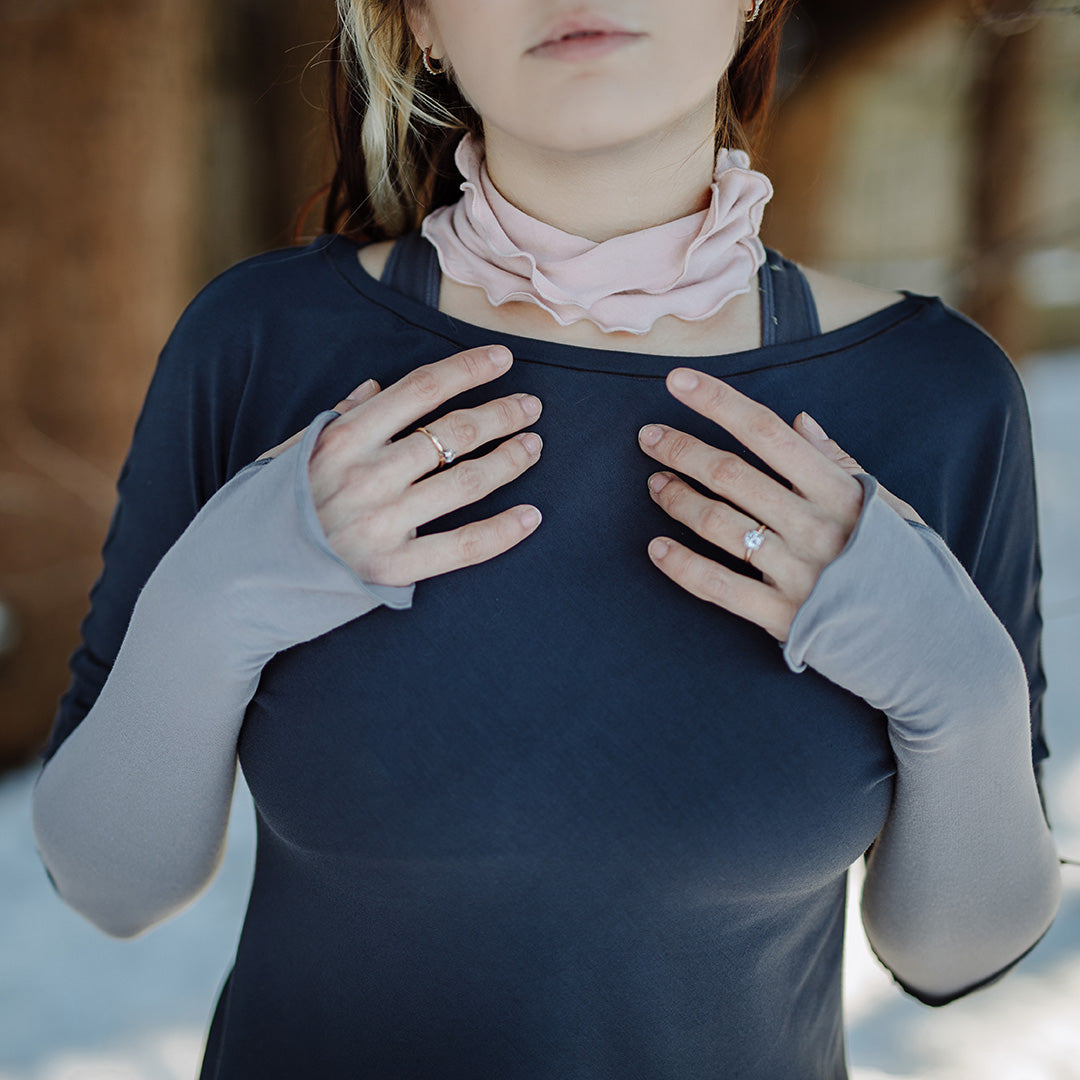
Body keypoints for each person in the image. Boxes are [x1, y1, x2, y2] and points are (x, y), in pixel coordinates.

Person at [31, 1, 1063, 1077]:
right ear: (418, 21)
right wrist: (211, 607)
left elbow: (959, 955)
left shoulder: (935, 399)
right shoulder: (260, 348)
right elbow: (112, 887)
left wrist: (961, 692)